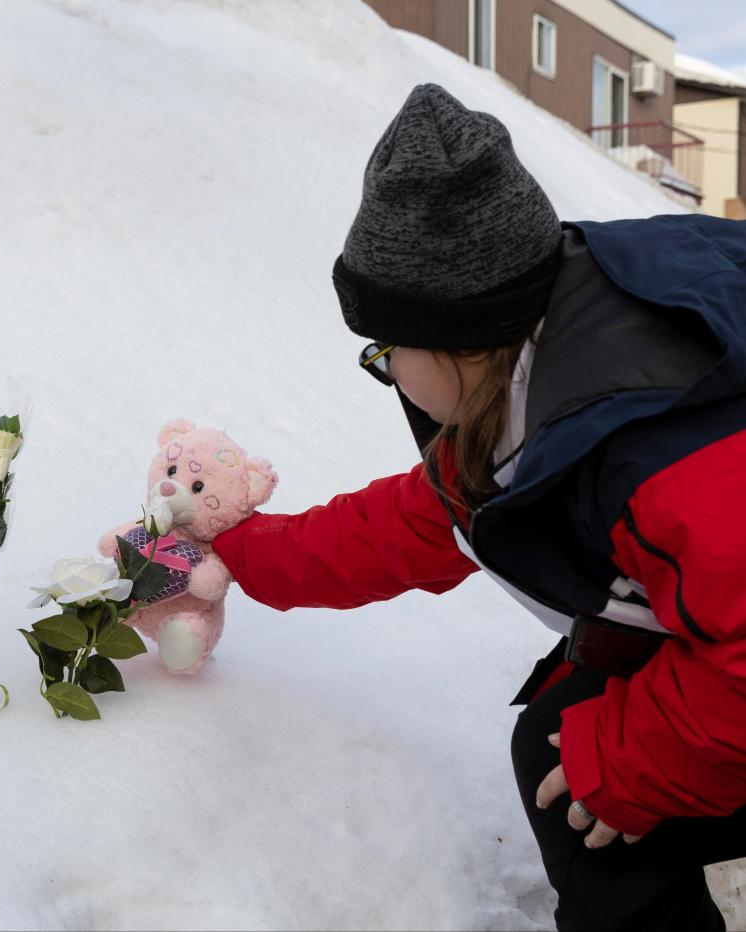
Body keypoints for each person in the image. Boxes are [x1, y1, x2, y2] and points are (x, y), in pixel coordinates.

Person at [211, 84, 746, 931]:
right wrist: (234, 553)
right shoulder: (546, 358)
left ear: (458, 336)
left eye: (385, 350)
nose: (387, 373)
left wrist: (639, 759)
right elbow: (415, 523)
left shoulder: (648, 444)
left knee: (581, 760)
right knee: (576, 721)